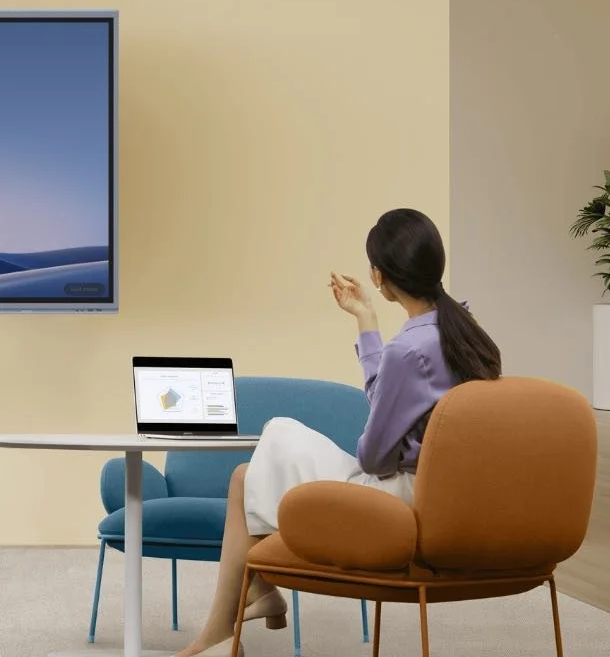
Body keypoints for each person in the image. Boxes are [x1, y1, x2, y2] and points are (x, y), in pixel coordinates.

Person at [174, 208, 501, 656]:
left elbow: (372, 457)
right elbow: (394, 398)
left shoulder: (409, 350)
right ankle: (239, 610)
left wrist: (372, 341)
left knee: (279, 432)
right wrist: (366, 321)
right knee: (244, 478)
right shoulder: (463, 328)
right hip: (447, 498)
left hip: (402, 501)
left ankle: (235, 615)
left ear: (378, 274)